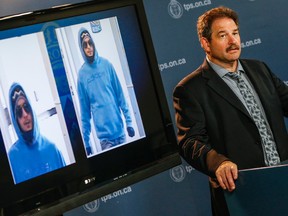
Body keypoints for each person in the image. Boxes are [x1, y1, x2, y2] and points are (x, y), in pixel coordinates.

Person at [173, 6, 288, 216]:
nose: (233, 41)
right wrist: (219, 163)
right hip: (242, 192)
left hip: (283, 179)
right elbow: (190, 141)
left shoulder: (259, 69)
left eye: (235, 33)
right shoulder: (190, 89)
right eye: (223, 35)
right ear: (205, 43)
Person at [77, 27, 135, 155]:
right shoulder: (82, 76)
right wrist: (86, 142)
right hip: (105, 140)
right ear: (82, 49)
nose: (88, 47)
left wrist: (129, 121)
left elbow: (120, 96)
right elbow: (85, 113)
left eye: (90, 43)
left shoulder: (107, 65)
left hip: (120, 133)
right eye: (85, 45)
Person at [8, 83, 66, 184]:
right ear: (15, 119)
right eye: (19, 111)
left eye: (26, 107)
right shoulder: (11, 159)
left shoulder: (52, 149)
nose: (25, 114)